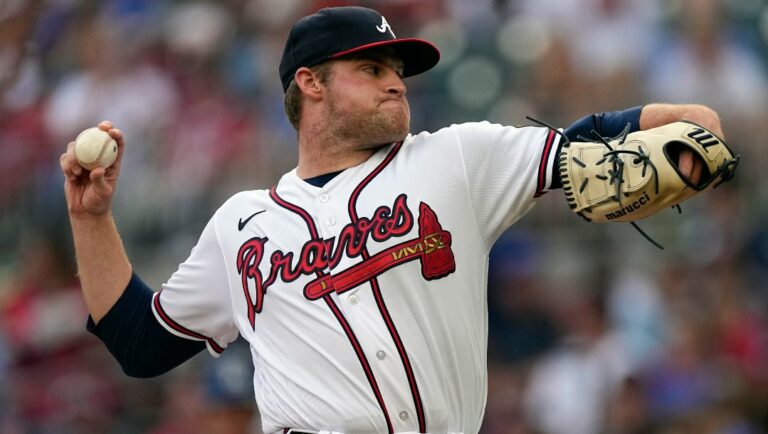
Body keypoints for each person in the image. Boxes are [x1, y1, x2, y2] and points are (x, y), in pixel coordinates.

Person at [59, 6, 725, 434]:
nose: (397, 82)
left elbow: (595, 135)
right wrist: (91, 220)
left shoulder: (456, 159)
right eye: (373, 68)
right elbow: (140, 345)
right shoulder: (241, 225)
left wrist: (689, 129)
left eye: (398, 70)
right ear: (312, 84)